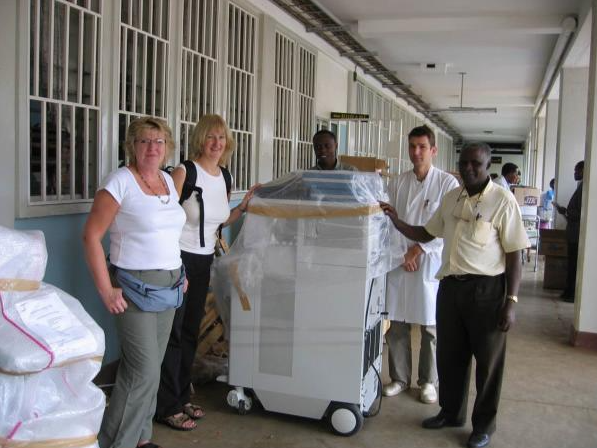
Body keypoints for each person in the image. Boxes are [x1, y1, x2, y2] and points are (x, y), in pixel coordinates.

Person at [380, 141, 528, 448]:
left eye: (476, 163)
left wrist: (510, 302)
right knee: (450, 357)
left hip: (487, 291)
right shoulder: (451, 198)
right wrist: (396, 221)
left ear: (488, 166)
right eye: (464, 163)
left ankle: (483, 426)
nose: (469, 168)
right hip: (450, 289)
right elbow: (426, 232)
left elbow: (515, 255)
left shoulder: (502, 201)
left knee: (488, 363)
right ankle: (450, 413)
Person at [83, 117, 186, 448]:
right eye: (144, 141)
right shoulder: (119, 182)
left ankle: (139, 438)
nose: (152, 147)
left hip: (169, 285)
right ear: (132, 146)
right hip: (135, 287)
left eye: (159, 142)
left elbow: (170, 232)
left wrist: (179, 272)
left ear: (167, 147)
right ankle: (122, 443)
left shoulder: (169, 181)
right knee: (144, 372)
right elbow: (91, 236)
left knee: (145, 368)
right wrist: (106, 288)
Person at [155, 114, 260, 431]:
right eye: (212, 136)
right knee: (172, 334)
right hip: (178, 259)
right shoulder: (185, 172)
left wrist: (242, 209)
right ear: (201, 138)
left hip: (204, 261)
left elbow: (218, 222)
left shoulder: (225, 176)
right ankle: (166, 405)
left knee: (190, 332)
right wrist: (173, 263)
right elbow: (164, 218)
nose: (217, 143)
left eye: (222, 137)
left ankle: (181, 396)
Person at [383, 125, 459, 404]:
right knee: (398, 324)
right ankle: (399, 378)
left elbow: (447, 228)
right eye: (412, 146)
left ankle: (428, 381)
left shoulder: (447, 185)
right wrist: (402, 254)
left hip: (428, 263)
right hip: (400, 261)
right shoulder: (397, 183)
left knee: (430, 327)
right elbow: (388, 222)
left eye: (422, 147)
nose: (416, 152)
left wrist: (417, 250)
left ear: (433, 150)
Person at [554, 161, 584, 303]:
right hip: (573, 233)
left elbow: (581, 213)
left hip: (577, 235)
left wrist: (566, 211)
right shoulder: (581, 186)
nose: (575, 174)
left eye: (577, 171)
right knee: (571, 264)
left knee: (574, 265)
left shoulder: (585, 188)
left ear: (584, 170)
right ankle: (568, 291)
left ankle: (571, 293)